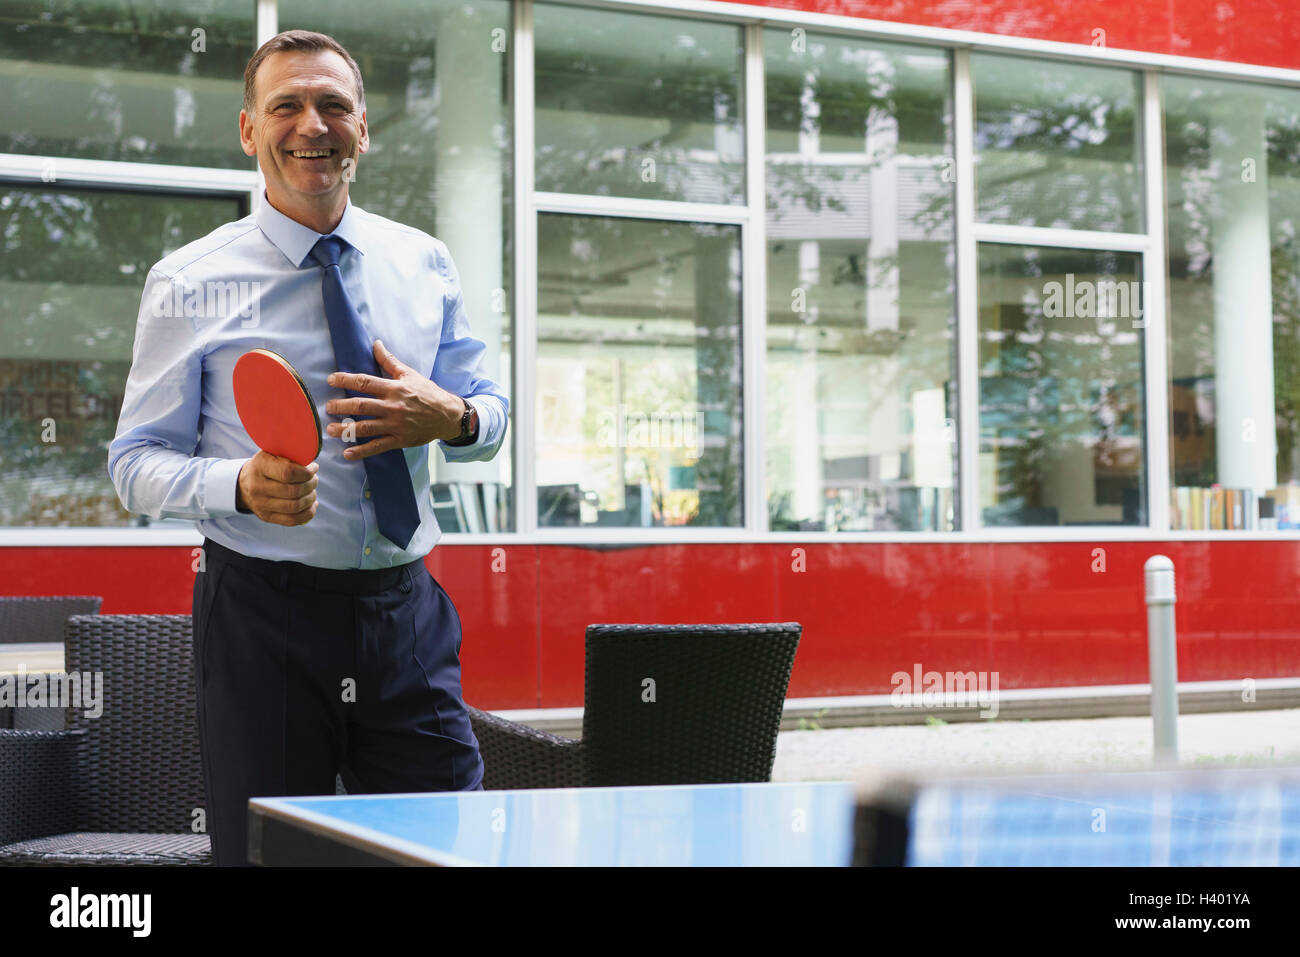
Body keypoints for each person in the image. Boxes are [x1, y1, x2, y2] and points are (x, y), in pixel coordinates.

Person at [107, 29, 509, 866]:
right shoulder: (188, 279)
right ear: (249, 130)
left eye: (333, 105)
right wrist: (238, 485)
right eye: (285, 105)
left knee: (451, 849)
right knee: (271, 855)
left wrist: (457, 419)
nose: (311, 125)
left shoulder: (424, 262)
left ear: (362, 128)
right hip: (263, 617)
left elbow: (491, 412)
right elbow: (134, 465)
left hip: (407, 611)